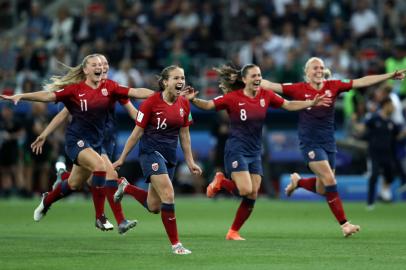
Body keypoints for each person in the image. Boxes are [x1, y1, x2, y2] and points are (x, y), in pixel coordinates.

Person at [0, 54, 153, 235]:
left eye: (103, 64)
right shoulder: (75, 90)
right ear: (85, 70)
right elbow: (49, 96)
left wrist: (162, 95)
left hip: (97, 142)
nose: (100, 67)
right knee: (102, 168)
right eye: (95, 64)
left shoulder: (111, 87)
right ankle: (101, 217)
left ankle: (48, 199)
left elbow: (136, 92)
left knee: (74, 184)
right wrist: (22, 96)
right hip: (76, 140)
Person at [260, 57, 405, 236]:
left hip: (329, 143)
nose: (319, 70)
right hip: (310, 143)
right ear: (306, 73)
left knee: (323, 188)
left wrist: (389, 75)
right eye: (314, 68)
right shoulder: (298, 88)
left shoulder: (334, 86)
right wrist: (249, 77)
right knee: (330, 179)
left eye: (321, 67)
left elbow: (361, 81)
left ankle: (299, 182)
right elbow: (270, 85)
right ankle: (345, 224)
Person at [184, 64, 331, 241]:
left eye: (259, 75)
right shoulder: (232, 98)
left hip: (255, 151)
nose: (257, 79)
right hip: (236, 149)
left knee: (253, 194)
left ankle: (233, 232)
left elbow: (288, 104)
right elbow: (208, 105)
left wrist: (310, 103)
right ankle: (222, 182)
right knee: (246, 189)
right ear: (244, 79)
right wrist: (193, 100)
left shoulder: (266, 95)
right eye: (253, 76)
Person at [112, 65, 202, 255]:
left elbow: (185, 135)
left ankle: (126, 187)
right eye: (176, 78)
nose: (180, 82)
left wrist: (190, 161)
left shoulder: (184, 104)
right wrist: (121, 158)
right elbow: (136, 134)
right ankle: (176, 245)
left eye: (182, 78)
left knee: (154, 206)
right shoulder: (150, 103)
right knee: (169, 194)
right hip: (150, 153)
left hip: (170, 156)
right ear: (165, 82)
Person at [361, 97, 406, 209]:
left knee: (390, 175)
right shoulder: (374, 118)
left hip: (388, 154)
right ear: (385, 105)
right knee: (374, 176)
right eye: (391, 105)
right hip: (374, 153)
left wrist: (404, 133)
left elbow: (397, 137)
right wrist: (356, 127)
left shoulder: (391, 122)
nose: (393, 108)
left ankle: (383, 191)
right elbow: (363, 128)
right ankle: (370, 203)